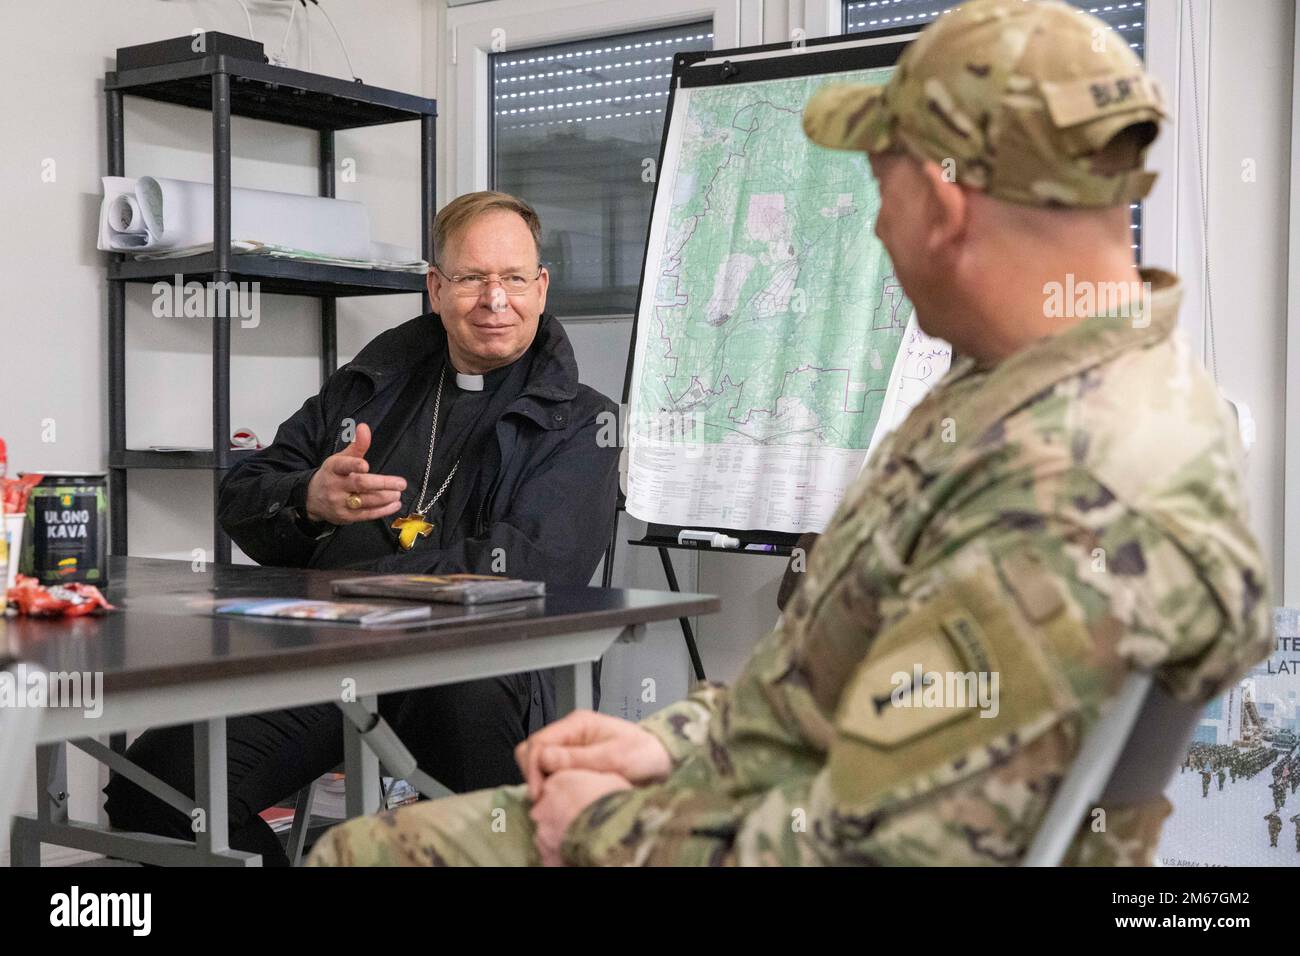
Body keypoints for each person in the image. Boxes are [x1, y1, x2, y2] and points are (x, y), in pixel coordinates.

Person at [308, 0, 1272, 867]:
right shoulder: (999, 401)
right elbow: (834, 692)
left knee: (365, 855)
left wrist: (609, 825)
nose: (879, 236)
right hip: (766, 796)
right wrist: (667, 743)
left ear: (947, 205)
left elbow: (911, 840)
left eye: (882, 194)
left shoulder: (1082, 467)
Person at [103, 191, 620, 865]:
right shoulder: (372, 385)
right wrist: (310, 499)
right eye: (470, 278)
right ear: (436, 288)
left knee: (473, 831)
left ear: (541, 287)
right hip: (332, 656)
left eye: (515, 278)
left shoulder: (584, 421)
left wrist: (352, 584)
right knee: (158, 791)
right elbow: (243, 497)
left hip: (476, 666)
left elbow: (530, 566)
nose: (496, 299)